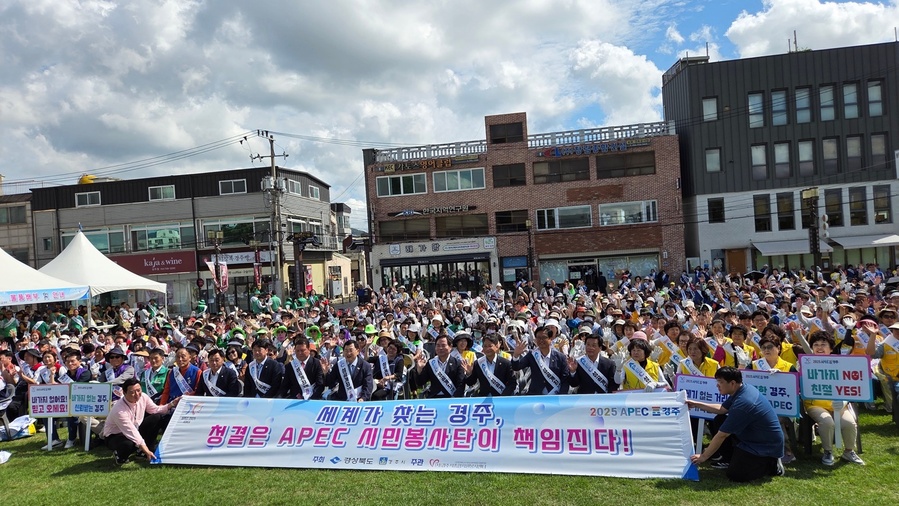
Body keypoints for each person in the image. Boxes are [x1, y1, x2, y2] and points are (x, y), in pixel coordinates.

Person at [689, 367, 785, 482]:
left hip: (764, 445)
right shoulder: (742, 389)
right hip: (752, 436)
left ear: (733, 383)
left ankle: (773, 464)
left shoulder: (744, 403)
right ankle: (728, 459)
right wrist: (696, 404)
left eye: (720, 382)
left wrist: (703, 457)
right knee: (720, 419)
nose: (717, 385)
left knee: (735, 475)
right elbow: (722, 409)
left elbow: (722, 435)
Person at [804, 331, 865, 466]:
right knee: (827, 422)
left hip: (839, 403)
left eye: (823, 344)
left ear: (831, 348)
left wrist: (843, 401)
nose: (819, 348)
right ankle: (828, 451)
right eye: (816, 345)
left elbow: (849, 386)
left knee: (849, 423)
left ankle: (848, 452)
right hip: (815, 404)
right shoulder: (805, 363)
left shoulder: (841, 364)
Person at [103, 378, 180, 466]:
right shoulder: (119, 410)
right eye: (132, 392)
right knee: (129, 444)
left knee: (156, 417)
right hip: (115, 435)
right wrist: (146, 449)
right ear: (124, 393)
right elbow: (131, 432)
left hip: (135, 428)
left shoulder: (143, 396)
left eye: (138, 390)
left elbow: (155, 410)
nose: (136, 395)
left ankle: (142, 452)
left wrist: (172, 404)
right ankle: (120, 456)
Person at [511, 325, 570, 395]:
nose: (541, 340)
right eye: (538, 338)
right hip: (535, 396)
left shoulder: (560, 357)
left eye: (544, 337)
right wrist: (516, 356)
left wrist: (561, 397)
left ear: (550, 339)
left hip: (555, 397)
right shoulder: (532, 355)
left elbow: (565, 380)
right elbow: (517, 367)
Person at [278, 336, 324, 400]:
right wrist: (278, 398)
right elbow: (285, 386)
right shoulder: (291, 365)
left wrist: (311, 398)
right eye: (297, 351)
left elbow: (320, 385)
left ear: (308, 350)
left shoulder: (316, 363)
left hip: (312, 399)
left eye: (302, 350)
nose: (300, 353)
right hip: (294, 399)